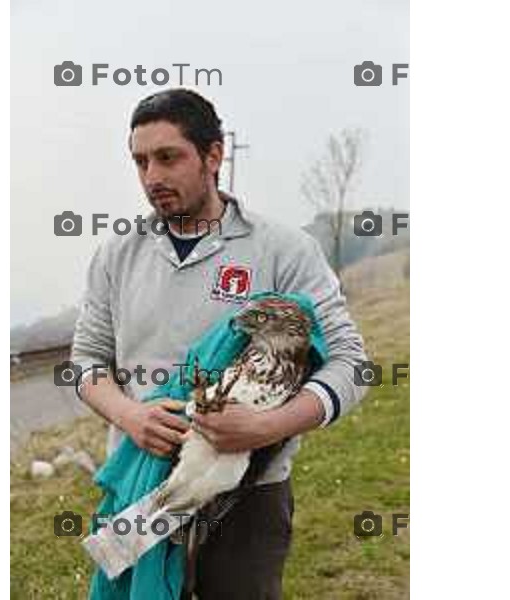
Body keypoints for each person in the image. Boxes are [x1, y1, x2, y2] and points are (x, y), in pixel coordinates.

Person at [71, 88, 367, 599]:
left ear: (214, 155)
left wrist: (265, 425)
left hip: (248, 500)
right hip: (141, 490)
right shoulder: (115, 256)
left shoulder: (284, 250)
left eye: (168, 157)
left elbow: (350, 364)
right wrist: (129, 415)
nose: (152, 177)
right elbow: (86, 362)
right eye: (140, 161)